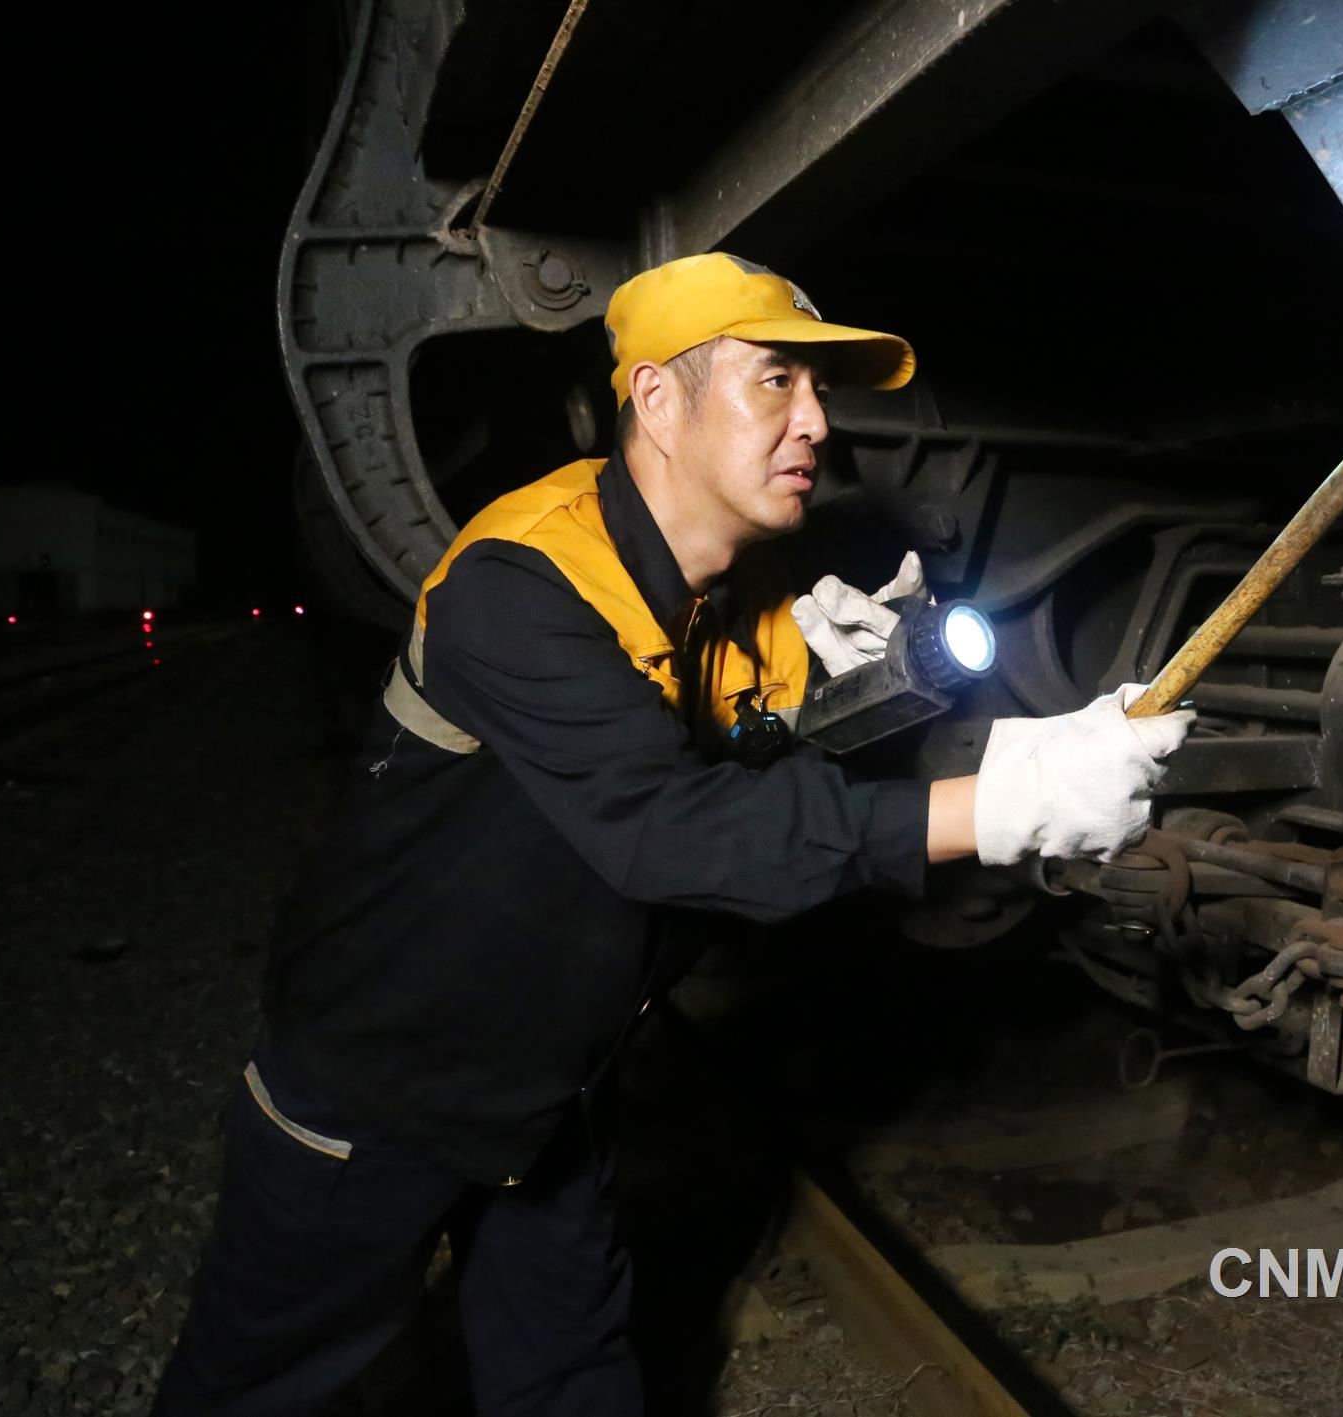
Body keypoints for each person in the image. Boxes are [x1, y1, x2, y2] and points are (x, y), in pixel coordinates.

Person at [155, 252, 1193, 1415]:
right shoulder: (518, 584)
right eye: (774, 384)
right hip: (377, 1084)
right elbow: (677, 836)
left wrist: (849, 670)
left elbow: (758, 729)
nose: (816, 423)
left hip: (553, 1081)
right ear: (656, 399)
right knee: (262, 1391)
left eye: (819, 391)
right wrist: (1005, 803)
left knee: (574, 1375)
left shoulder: (726, 589)